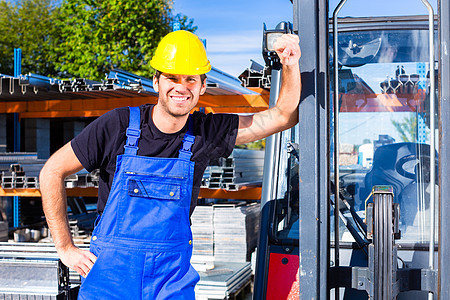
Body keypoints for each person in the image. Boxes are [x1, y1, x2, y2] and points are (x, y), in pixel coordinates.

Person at [40, 30, 301, 299]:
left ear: (202, 86)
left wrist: (290, 65)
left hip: (169, 282)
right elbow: (51, 172)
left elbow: (283, 116)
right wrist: (65, 248)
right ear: (156, 82)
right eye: (172, 78)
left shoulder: (205, 132)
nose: (181, 86)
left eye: (190, 79)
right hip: (110, 281)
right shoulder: (117, 125)